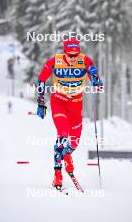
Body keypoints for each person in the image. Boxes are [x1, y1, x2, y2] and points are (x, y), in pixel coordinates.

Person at [36, 38, 102, 189]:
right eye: (70, 55)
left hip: (75, 105)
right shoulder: (55, 61)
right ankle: (57, 175)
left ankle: (67, 154)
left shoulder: (85, 61)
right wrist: (41, 101)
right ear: (64, 52)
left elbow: (98, 86)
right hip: (58, 101)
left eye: (75, 55)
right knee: (63, 134)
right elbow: (41, 80)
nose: (73, 58)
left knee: (74, 141)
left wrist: (96, 79)